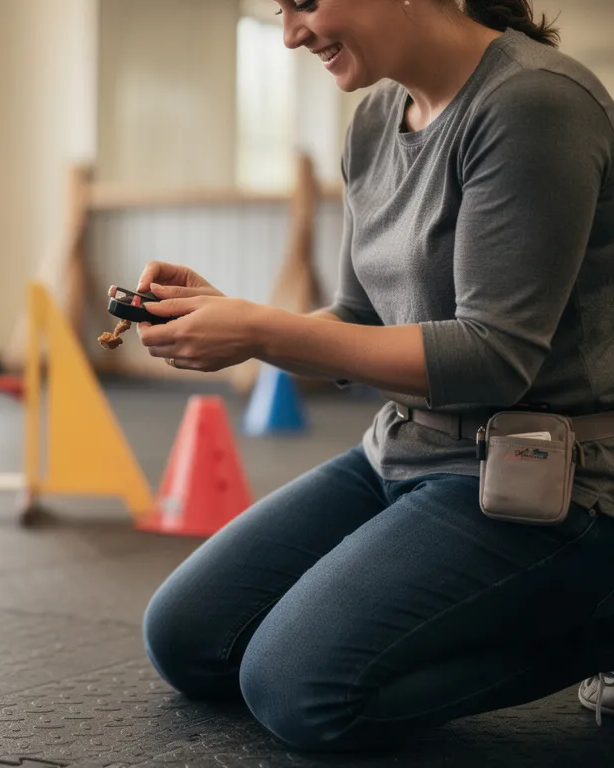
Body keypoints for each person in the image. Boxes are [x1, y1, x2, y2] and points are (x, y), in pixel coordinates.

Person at [135, 0, 614, 753]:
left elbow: (494, 355)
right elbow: (360, 320)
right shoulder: (372, 120)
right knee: (188, 638)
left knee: (296, 691)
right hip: (406, 449)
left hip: (547, 481)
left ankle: (600, 627)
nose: (292, 34)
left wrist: (263, 330)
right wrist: (233, 320)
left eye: (304, 3)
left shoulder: (535, 103)